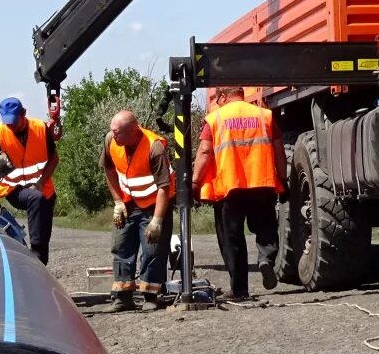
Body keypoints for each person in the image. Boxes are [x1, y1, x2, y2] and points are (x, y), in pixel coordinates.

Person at [191, 85, 286, 301]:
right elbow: (278, 148)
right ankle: (266, 259)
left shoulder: (215, 119)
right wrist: (283, 178)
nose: (216, 102)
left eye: (217, 98)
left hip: (230, 186)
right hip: (262, 182)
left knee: (231, 238)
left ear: (224, 96)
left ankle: (239, 289)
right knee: (266, 228)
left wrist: (195, 183)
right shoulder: (265, 115)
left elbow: (205, 151)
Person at [102, 109, 173, 310]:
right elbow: (108, 169)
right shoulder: (110, 141)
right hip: (127, 203)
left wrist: (157, 220)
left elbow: (164, 187)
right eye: (112, 131)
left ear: (134, 131)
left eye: (118, 132)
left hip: (153, 205)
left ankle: (151, 296)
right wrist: (117, 202)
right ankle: (123, 297)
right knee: (121, 246)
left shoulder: (154, 148)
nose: (113, 135)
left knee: (153, 250)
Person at [0, 96, 58, 265]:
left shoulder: (40, 128)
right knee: (35, 199)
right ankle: (36, 256)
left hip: (42, 186)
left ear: (24, 113)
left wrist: (39, 182)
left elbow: (53, 159)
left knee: (43, 227)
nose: (11, 126)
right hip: (13, 189)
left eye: (15, 121)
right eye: (7, 123)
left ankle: (40, 265)